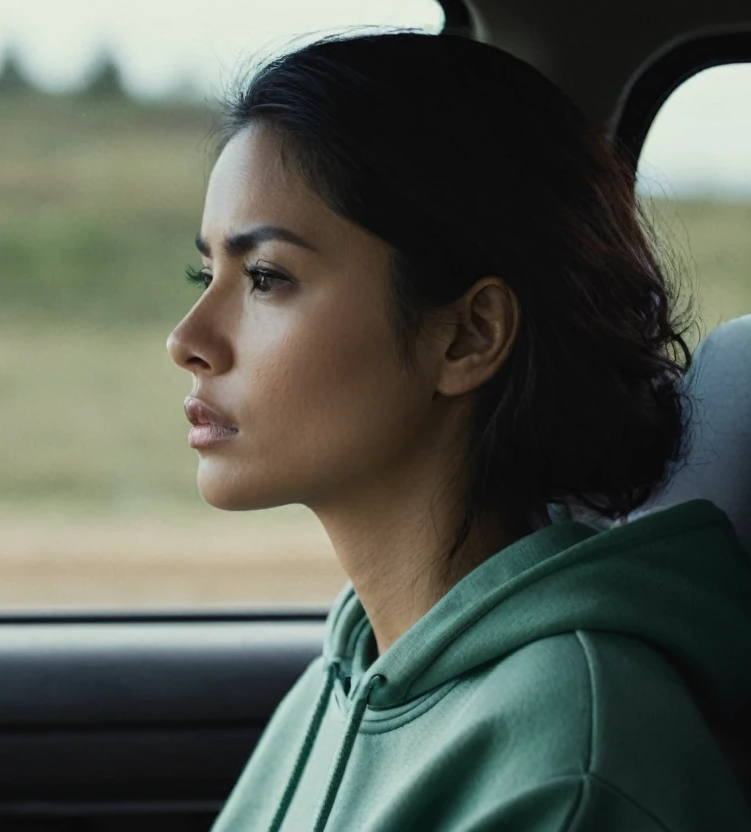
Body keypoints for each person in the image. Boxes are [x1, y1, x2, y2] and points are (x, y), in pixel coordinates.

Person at [166, 32, 751, 831]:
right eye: (209, 275)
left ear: (469, 336)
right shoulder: (346, 682)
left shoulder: (575, 765)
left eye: (266, 278)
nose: (188, 339)